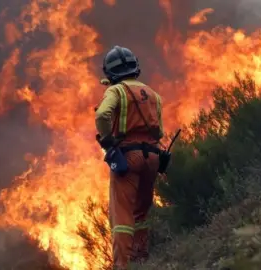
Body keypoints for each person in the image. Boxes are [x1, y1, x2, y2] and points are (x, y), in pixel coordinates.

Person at [94, 45, 164, 269]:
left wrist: (107, 140)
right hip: (153, 157)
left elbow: (103, 114)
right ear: (136, 67)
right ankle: (142, 259)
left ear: (110, 73)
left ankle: (122, 266)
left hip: (128, 158)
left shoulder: (116, 92)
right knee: (141, 211)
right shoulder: (153, 94)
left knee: (122, 216)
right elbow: (159, 132)